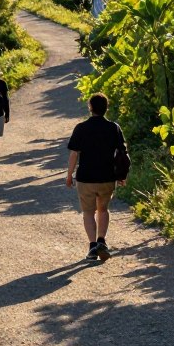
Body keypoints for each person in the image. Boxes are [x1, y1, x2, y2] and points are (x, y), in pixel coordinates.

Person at [65, 92, 128, 261]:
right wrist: (122, 174)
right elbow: (122, 152)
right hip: (107, 177)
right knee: (103, 209)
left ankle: (92, 246)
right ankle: (102, 241)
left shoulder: (81, 128)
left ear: (90, 107)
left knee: (88, 212)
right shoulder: (113, 127)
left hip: (86, 177)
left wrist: (69, 175)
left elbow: (74, 154)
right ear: (106, 108)